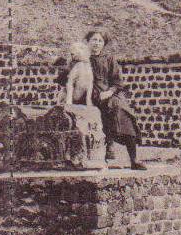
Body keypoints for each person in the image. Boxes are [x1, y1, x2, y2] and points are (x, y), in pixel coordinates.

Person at [83, 28, 144, 170]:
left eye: (100, 41)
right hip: (89, 96)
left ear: (103, 44)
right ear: (88, 42)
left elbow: (117, 82)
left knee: (122, 112)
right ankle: (103, 153)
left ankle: (134, 159)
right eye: (94, 40)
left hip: (110, 94)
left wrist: (109, 92)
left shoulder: (109, 59)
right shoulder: (82, 59)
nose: (96, 44)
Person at [61, 41, 94, 107]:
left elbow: (90, 84)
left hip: (81, 99)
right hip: (68, 97)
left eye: (73, 53)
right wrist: (69, 101)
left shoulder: (87, 65)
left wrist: (88, 100)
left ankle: (88, 101)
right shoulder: (75, 65)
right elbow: (70, 83)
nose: (72, 55)